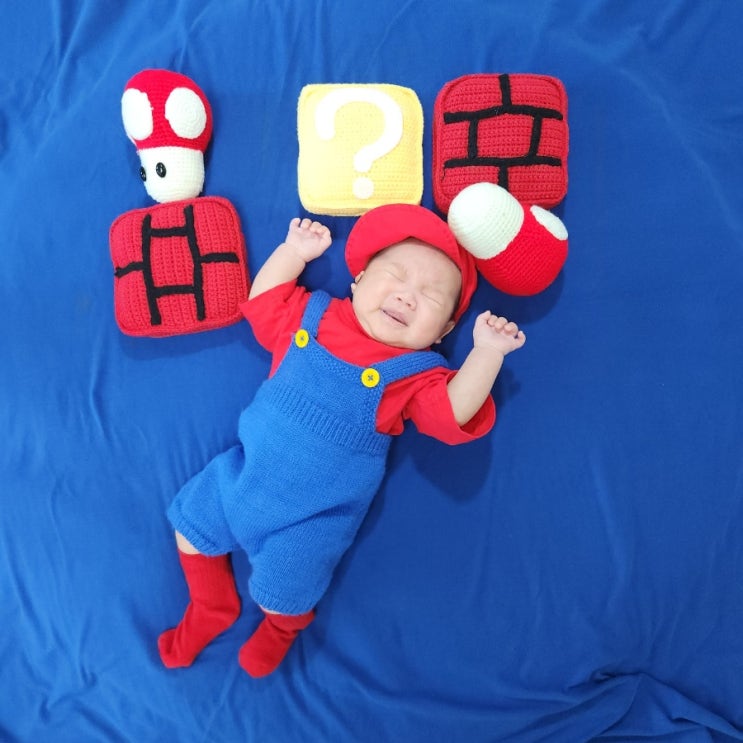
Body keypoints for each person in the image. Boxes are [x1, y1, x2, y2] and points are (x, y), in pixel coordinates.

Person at [157, 204, 526, 677]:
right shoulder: (308, 314)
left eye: (433, 297)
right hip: (242, 479)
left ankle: (282, 627)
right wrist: (293, 253)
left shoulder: (413, 375)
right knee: (190, 526)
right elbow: (263, 300)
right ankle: (211, 604)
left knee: (285, 593)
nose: (408, 296)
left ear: (446, 330)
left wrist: (487, 355)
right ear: (358, 281)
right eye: (395, 275)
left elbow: (454, 412)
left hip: (310, 521)